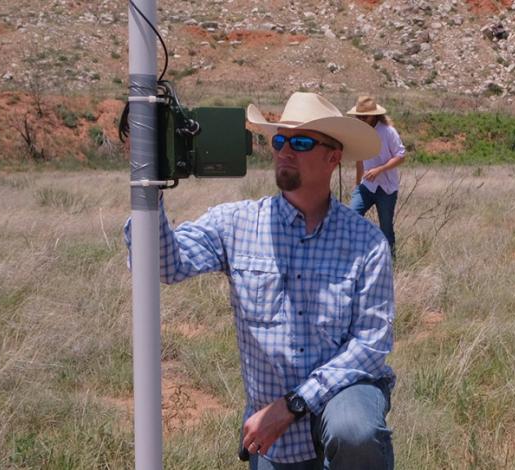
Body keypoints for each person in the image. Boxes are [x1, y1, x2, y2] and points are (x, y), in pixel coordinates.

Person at [123, 92, 396, 470]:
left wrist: (293, 404)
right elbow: (166, 266)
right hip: (275, 439)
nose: (285, 151)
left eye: (300, 142)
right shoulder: (236, 224)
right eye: (279, 140)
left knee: (354, 429)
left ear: (333, 157)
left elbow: (371, 343)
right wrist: (149, 184)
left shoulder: (367, 244)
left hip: (337, 397)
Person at [346, 96, 406, 258]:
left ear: (374, 115)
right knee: (351, 217)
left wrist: (380, 170)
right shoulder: (359, 132)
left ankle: (390, 262)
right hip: (366, 186)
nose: (361, 119)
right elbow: (359, 159)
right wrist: (357, 185)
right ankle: (356, 256)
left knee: (386, 228)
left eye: (364, 116)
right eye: (358, 116)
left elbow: (401, 156)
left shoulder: (388, 131)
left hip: (386, 189)